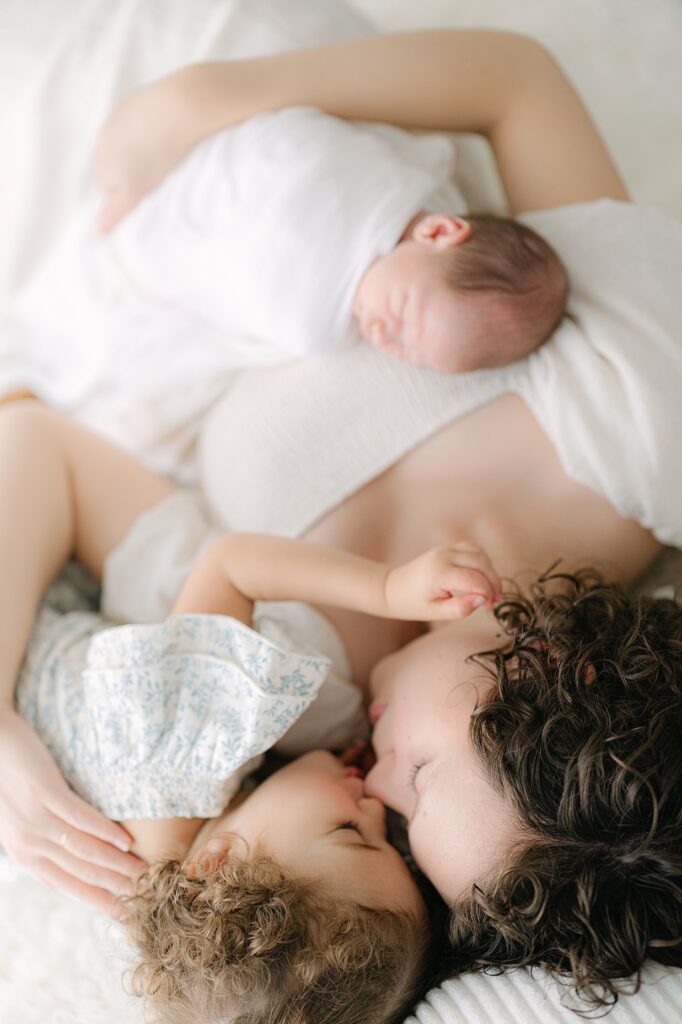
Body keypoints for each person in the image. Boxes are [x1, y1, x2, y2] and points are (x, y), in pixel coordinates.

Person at [87, 28, 682, 1010]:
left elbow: (38, 445)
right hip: (232, 82)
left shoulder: (301, 679)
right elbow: (513, 81)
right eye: (426, 777)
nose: (376, 781)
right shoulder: (651, 425)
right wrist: (203, 96)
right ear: (555, 677)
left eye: (394, 834)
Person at [0, 400, 505, 1021]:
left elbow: (232, 567)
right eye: (388, 840)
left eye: (353, 832)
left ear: (220, 863)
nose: (375, 802)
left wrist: (387, 589)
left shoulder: (181, 764)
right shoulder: (158, 883)